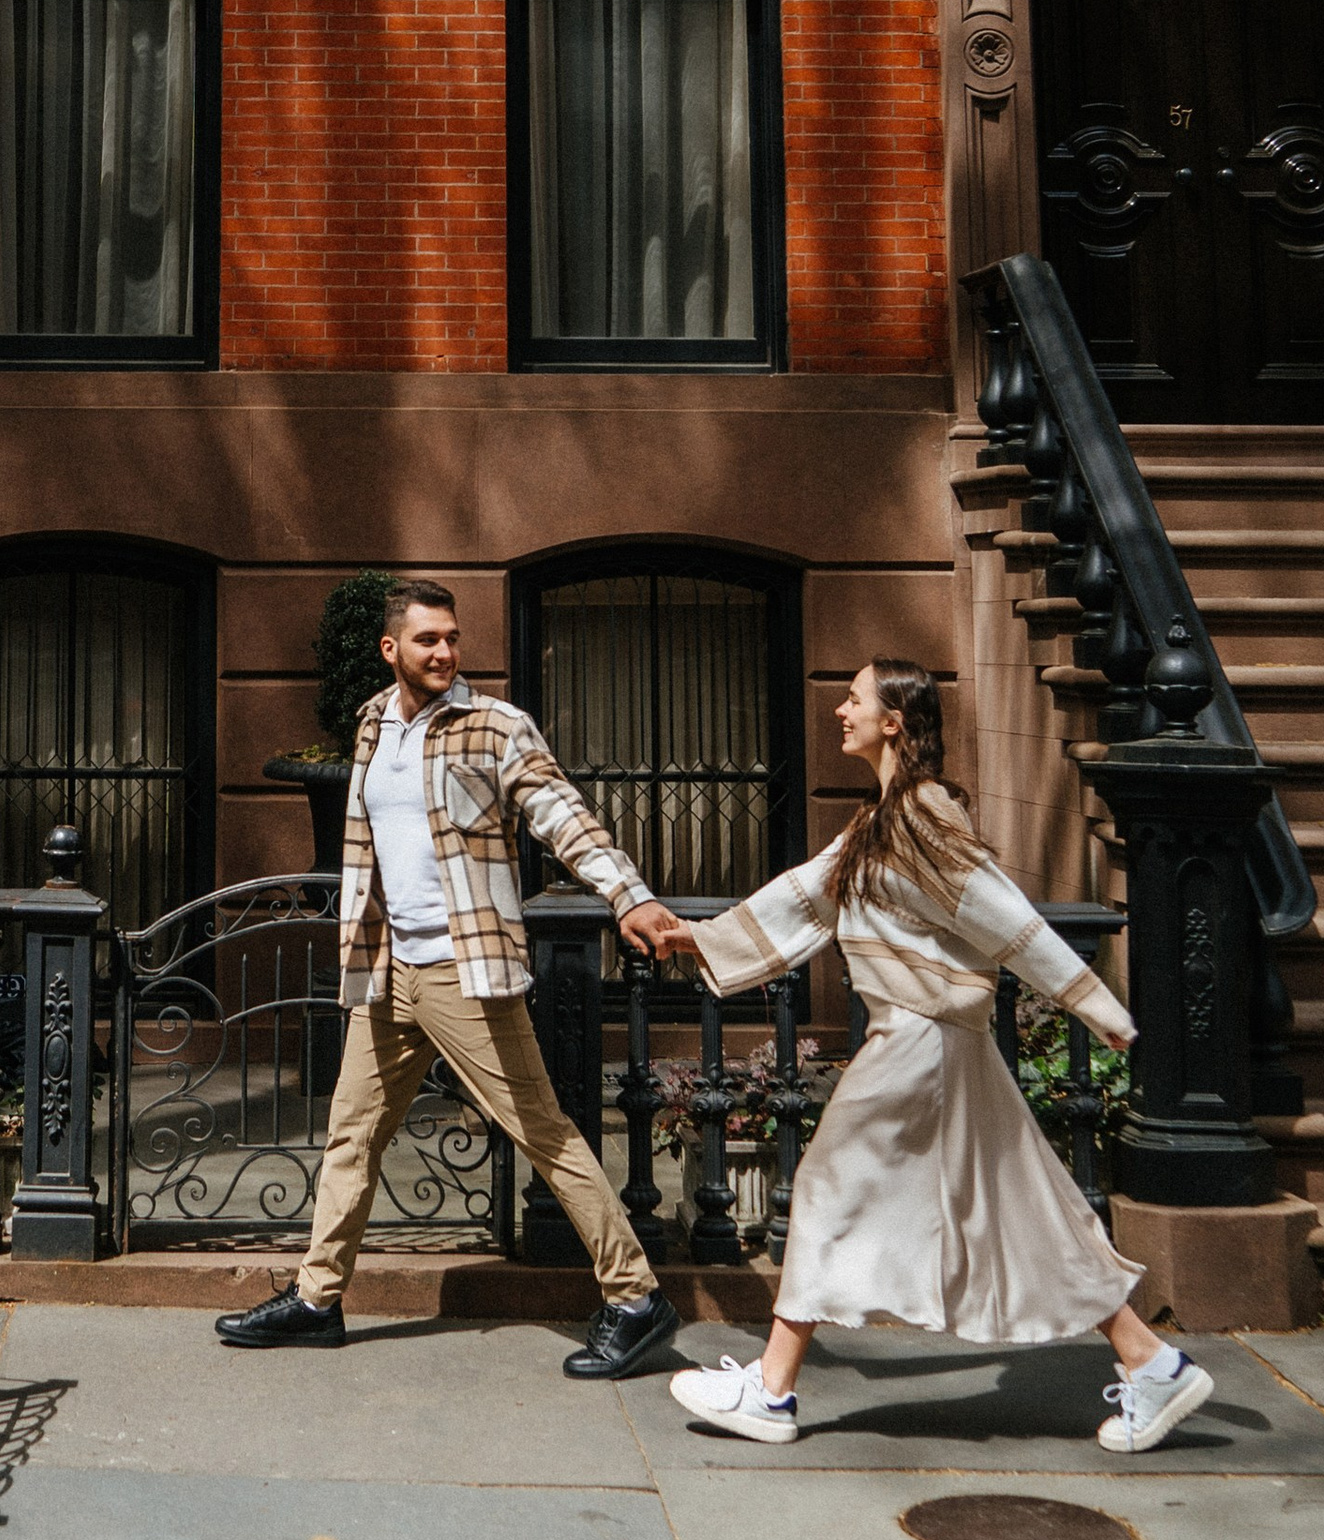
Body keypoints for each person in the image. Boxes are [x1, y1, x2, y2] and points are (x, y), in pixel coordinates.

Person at [648, 658, 1216, 1459]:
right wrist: (697, 939)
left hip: (920, 1040)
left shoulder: (921, 817)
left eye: (854, 699)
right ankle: (1153, 1363)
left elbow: (1007, 919)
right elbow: (806, 896)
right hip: (936, 1040)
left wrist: (1097, 1006)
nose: (840, 710)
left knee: (827, 1185)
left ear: (894, 722)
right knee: (1018, 1206)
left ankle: (771, 1391)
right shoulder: (883, 820)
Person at [217, 573, 682, 1379]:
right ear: (390, 648)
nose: (444, 652)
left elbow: (564, 817)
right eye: (427, 639)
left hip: (464, 971)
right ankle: (318, 1300)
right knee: (352, 1134)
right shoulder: (372, 725)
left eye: (452, 638)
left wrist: (627, 895)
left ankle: (638, 1299)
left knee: (542, 1131)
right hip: (386, 966)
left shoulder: (495, 727)